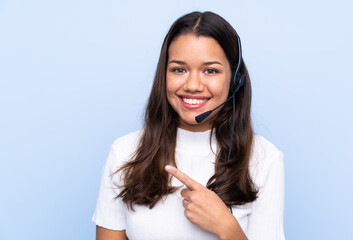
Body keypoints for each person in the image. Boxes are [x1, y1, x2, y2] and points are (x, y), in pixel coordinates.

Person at [92, 11, 285, 240]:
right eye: (179, 69)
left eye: (210, 70)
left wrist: (226, 226)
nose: (193, 85)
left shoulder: (264, 159)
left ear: (235, 80)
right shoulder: (124, 152)